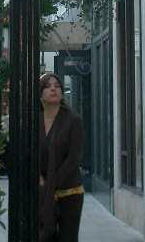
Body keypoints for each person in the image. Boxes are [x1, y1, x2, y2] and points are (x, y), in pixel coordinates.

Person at [39, 73, 84, 242]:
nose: (53, 89)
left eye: (57, 86)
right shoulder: (34, 121)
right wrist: (39, 178)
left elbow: (74, 157)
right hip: (42, 193)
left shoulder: (73, 120)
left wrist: (51, 183)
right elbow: (31, 153)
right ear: (40, 93)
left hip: (69, 192)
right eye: (48, 86)